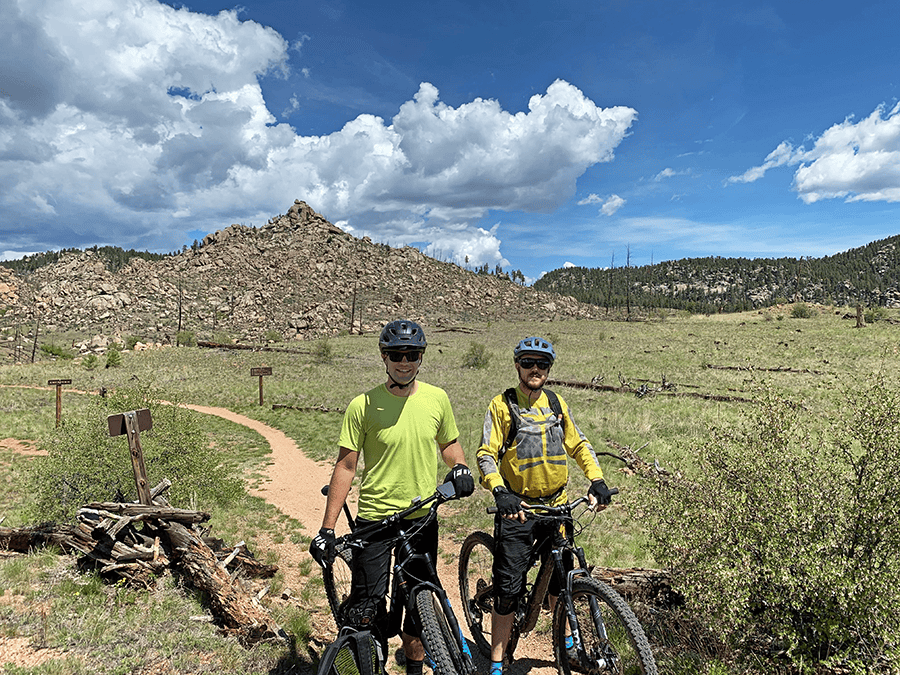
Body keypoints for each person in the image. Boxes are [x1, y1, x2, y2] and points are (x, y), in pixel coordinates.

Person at [309, 319, 475, 675]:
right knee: (365, 611)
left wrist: (459, 466)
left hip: (421, 517)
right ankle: (371, 662)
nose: (405, 361)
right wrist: (326, 529)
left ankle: (414, 669)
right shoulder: (363, 405)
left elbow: (448, 445)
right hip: (375, 521)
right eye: (397, 354)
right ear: (384, 357)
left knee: (420, 606)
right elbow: (346, 467)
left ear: (421, 356)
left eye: (412, 354)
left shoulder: (437, 398)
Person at [475, 336, 614, 675]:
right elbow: (485, 455)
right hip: (517, 509)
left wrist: (596, 479)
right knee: (508, 591)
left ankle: (568, 647)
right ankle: (496, 662)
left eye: (542, 364)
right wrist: (499, 491)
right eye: (527, 363)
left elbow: (578, 444)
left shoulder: (555, 403)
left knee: (562, 580)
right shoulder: (502, 405)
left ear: (549, 368)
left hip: (558, 506)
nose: (535, 369)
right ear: (517, 365)